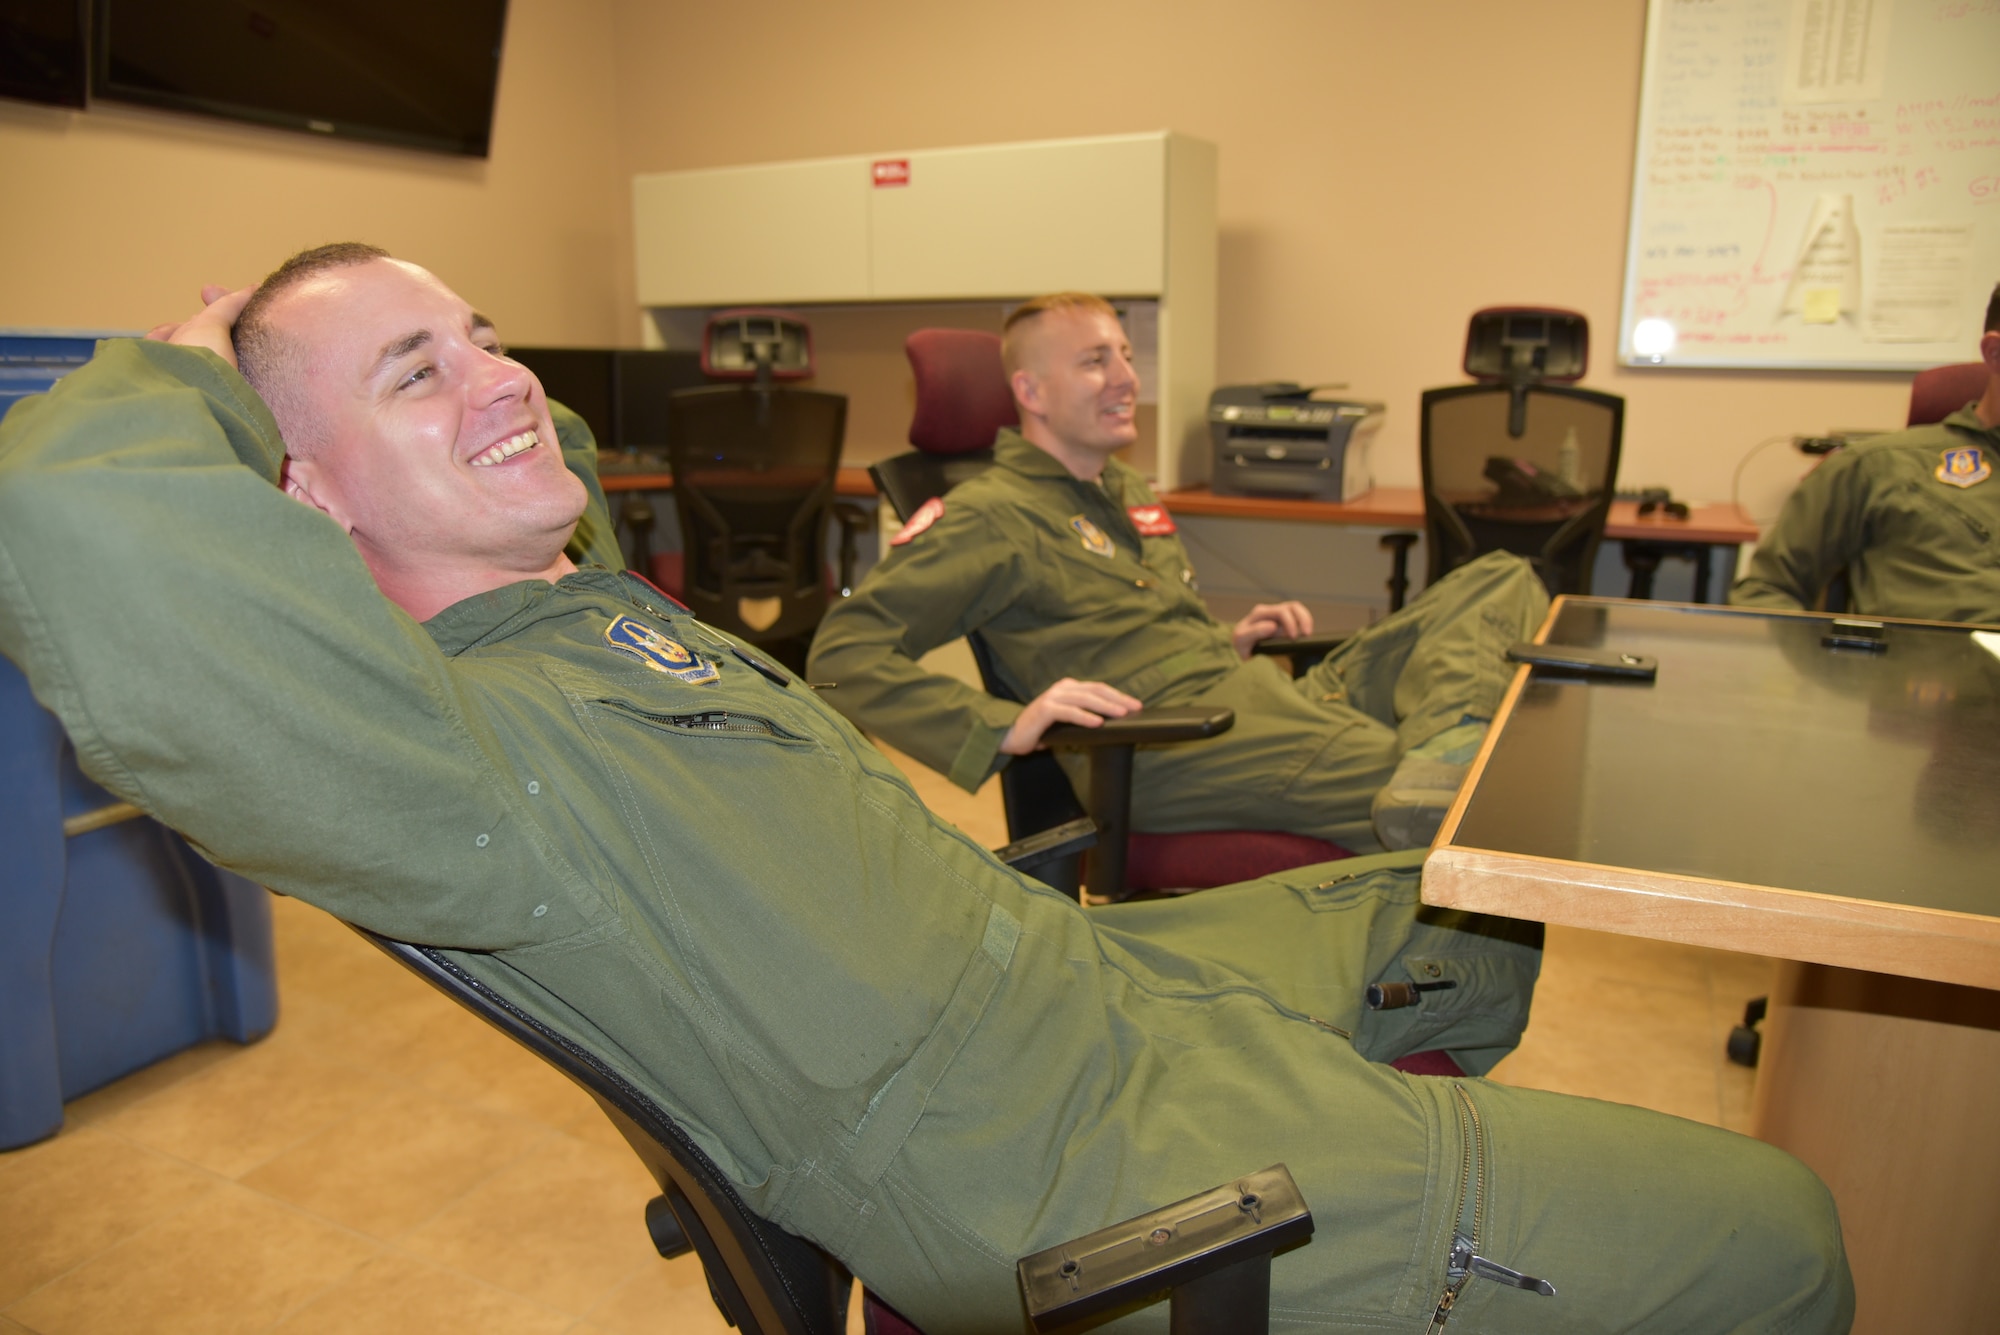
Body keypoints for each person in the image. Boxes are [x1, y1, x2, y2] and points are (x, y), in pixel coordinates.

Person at [0, 245, 1851, 1333]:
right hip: (1051, 1152)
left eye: (487, 337)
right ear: (299, 500)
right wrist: (204, 372)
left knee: (1478, 929)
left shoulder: (578, 619)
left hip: (1082, 995)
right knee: (1786, 1242)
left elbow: (521, 445)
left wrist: (400, 373)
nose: (498, 382)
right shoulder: (446, 758)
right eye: (417, 372)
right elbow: (85, 531)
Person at [807, 293, 1550, 855]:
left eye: (1126, 355)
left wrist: (1228, 640)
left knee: (1500, 576)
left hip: (1250, 694)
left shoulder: (1123, 488)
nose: (1126, 377)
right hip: (1162, 746)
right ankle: (1442, 761)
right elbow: (841, 658)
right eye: (1096, 360)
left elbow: (1132, 624)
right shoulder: (989, 517)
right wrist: (1005, 725)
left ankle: (1446, 744)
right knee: (1473, 799)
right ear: (1029, 393)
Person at [1730, 282, 2000, 622]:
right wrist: (1829, 670)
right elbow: (1764, 593)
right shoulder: (1879, 468)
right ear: (1994, 354)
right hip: (1925, 668)